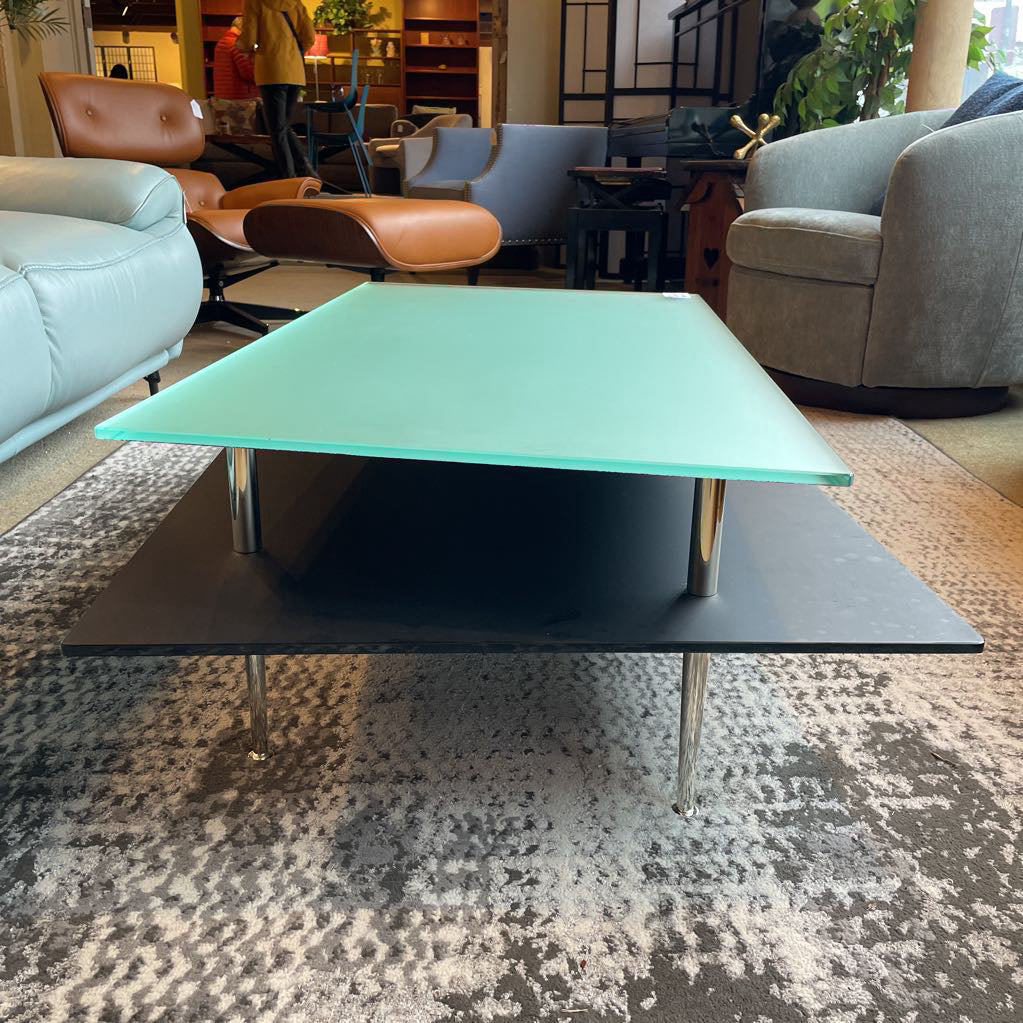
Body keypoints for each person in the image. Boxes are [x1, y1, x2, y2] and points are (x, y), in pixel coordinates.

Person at [239, 0, 317, 179]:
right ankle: (305, 170)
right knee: (284, 126)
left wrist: (244, 46)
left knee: (276, 129)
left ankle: (288, 177)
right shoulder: (296, 4)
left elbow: (248, 39)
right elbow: (310, 37)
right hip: (295, 72)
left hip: (271, 71)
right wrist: (291, 53)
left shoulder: (255, 4)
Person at [214, 16, 258, 100]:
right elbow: (249, 72)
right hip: (240, 99)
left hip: (224, 97)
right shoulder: (238, 44)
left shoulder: (221, 43)